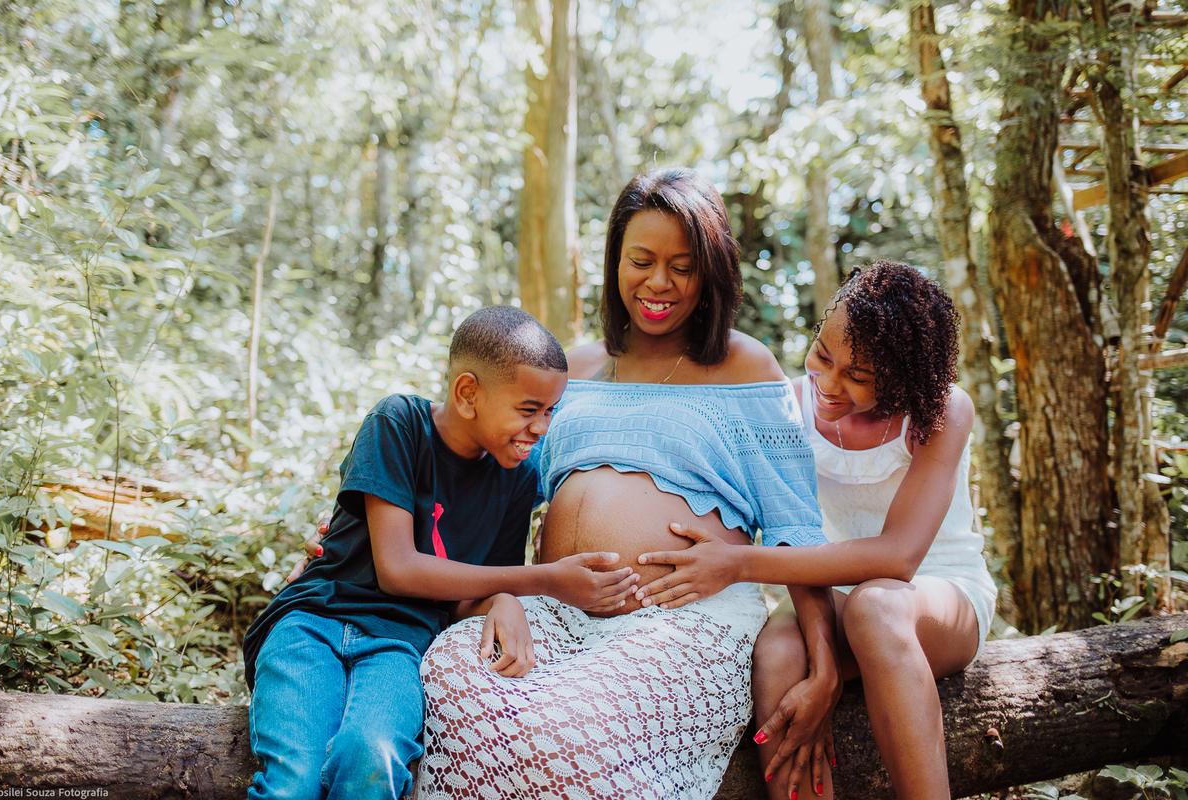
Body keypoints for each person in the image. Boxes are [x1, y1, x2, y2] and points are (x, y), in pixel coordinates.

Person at [409, 167, 834, 800]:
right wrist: (371, 522)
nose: (658, 283)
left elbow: (796, 527)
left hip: (681, 621)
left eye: (682, 267)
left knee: (572, 738)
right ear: (614, 262)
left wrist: (824, 667)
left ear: (711, 273)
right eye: (641, 261)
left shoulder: (745, 366)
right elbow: (477, 477)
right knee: (446, 675)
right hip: (552, 611)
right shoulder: (572, 369)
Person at [242, 306, 641, 800]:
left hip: (400, 646)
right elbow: (397, 570)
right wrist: (542, 580)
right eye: (528, 409)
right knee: (296, 779)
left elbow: (469, 592)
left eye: (550, 411)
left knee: (370, 758)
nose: (542, 427)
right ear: (468, 394)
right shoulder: (398, 423)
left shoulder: (518, 479)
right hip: (313, 623)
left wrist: (502, 598)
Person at [633, 261, 998, 800]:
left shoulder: (940, 412)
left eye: (859, 377)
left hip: (937, 597)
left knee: (877, 606)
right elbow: (785, 526)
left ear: (902, 379)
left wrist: (739, 563)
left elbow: (898, 558)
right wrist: (822, 670)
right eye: (823, 356)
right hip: (831, 596)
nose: (828, 384)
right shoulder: (786, 407)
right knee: (778, 655)